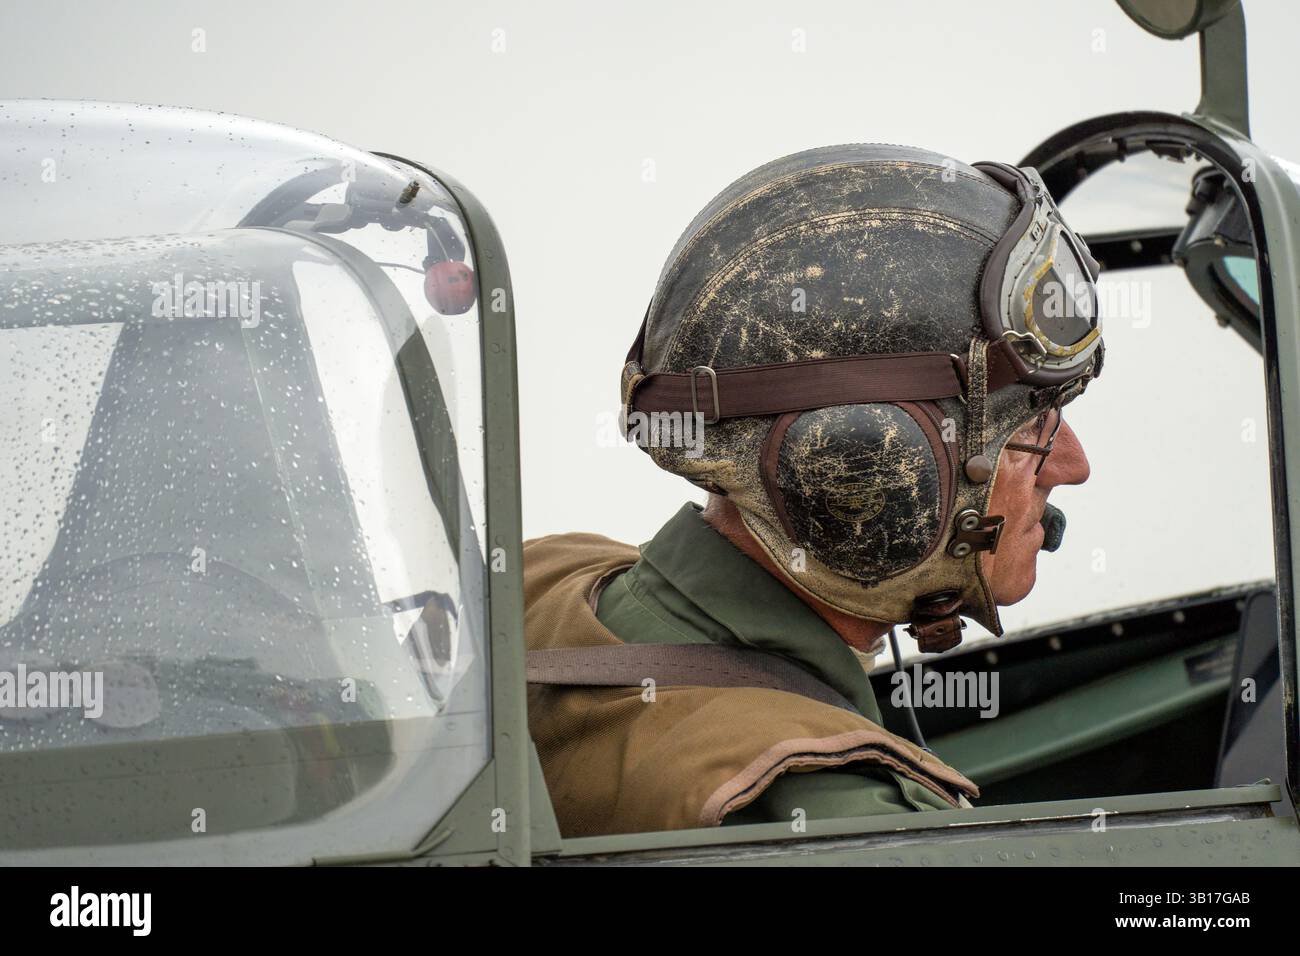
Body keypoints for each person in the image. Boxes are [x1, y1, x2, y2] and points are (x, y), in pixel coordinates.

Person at [524, 144, 1103, 836]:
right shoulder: (845, 821)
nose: (1072, 465)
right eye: (1033, 428)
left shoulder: (538, 582)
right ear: (871, 466)